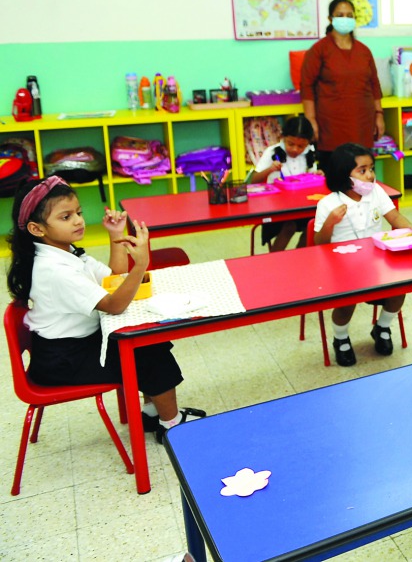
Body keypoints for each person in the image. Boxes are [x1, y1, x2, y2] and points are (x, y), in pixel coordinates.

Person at [6, 177, 204, 444]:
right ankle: (172, 426)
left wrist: (115, 237)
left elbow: (113, 279)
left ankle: (151, 412)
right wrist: (141, 264)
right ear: (37, 228)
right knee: (148, 351)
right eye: (66, 217)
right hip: (64, 362)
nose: (77, 221)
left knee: (146, 340)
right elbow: (114, 304)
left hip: (69, 349)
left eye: (78, 213)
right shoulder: (53, 270)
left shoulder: (67, 252)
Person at [314, 143, 412, 366]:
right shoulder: (328, 203)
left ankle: (382, 327)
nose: (370, 175)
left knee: (400, 288)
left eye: (371, 168)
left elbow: (395, 217)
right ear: (343, 173)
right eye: (362, 170)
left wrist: (411, 228)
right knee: (346, 302)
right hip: (342, 268)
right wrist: (330, 222)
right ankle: (340, 339)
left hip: (376, 264)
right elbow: (319, 244)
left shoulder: (376, 192)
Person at [301, 0, 385, 168]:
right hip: (331, 124)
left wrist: (379, 115)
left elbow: (374, 84)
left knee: (362, 174)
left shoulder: (363, 51)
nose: (345, 19)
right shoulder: (319, 50)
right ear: (330, 19)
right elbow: (306, 85)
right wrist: (311, 120)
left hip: (362, 122)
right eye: (340, 15)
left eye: (349, 15)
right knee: (335, 175)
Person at [248, 116, 317, 253]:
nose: (295, 149)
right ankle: (274, 261)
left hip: (301, 207)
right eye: (290, 144)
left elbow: (311, 182)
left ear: (308, 143)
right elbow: (253, 181)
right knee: (289, 226)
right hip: (276, 208)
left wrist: (317, 175)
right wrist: (270, 169)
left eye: (301, 146)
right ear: (282, 138)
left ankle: (301, 257)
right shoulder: (272, 152)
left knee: (314, 225)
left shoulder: (309, 154)